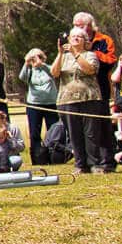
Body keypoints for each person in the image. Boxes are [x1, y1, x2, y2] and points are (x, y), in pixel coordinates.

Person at [50, 27, 109, 174]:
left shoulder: (90, 55)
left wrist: (76, 53)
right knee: (74, 133)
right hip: (67, 101)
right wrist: (60, 53)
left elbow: (90, 70)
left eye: (79, 37)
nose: (75, 39)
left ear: (85, 41)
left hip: (89, 98)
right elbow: (54, 73)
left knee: (91, 133)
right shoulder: (63, 57)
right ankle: (80, 164)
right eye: (73, 36)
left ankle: (94, 163)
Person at [18, 47, 58, 166]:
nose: (36, 60)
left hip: (50, 104)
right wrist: (26, 63)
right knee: (34, 132)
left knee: (53, 131)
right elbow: (22, 77)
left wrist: (42, 65)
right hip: (34, 104)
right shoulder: (30, 70)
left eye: (39, 56)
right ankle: (37, 158)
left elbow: (53, 74)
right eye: (34, 57)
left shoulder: (48, 68)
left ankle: (53, 156)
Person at [74, 11, 118, 89]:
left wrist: (92, 52)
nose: (76, 29)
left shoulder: (104, 40)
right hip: (76, 87)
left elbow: (111, 62)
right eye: (74, 26)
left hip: (100, 85)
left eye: (79, 26)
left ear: (89, 26)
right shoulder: (72, 40)